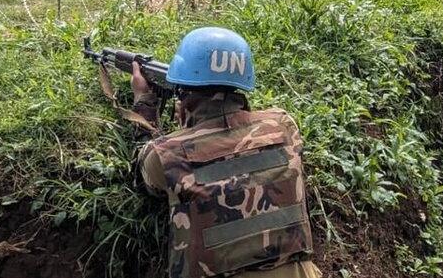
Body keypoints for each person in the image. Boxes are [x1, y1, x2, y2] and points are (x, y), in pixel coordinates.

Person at [131, 27, 321, 278]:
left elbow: (143, 175)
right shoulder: (284, 126)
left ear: (183, 95)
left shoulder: (165, 154)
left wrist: (143, 101)